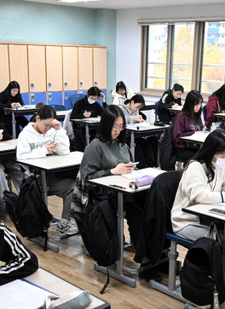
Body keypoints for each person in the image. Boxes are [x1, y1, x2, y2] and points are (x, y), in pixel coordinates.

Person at [171, 129, 225, 261]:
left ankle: (220, 274)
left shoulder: (218, 165)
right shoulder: (195, 167)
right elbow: (200, 196)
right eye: (223, 156)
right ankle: (214, 274)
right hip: (187, 222)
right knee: (221, 240)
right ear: (211, 152)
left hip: (207, 218)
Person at [72, 105, 144, 251]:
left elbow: (130, 166)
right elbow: (87, 178)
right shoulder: (95, 146)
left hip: (123, 190)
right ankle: (141, 253)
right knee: (136, 210)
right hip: (103, 196)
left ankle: (146, 249)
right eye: (114, 126)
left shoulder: (122, 145)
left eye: (121, 126)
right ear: (106, 125)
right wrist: (112, 171)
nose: (117, 130)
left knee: (148, 203)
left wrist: (131, 169)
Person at [17, 105, 77, 235]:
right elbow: (21, 157)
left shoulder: (51, 131)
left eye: (51, 125)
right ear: (37, 118)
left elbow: (64, 151)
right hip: (35, 179)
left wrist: (60, 130)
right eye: (46, 125)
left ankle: (65, 221)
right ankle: (42, 226)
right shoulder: (25, 135)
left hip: (52, 176)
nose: (48, 128)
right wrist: (43, 150)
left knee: (73, 186)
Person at [172, 90, 205, 163]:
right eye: (196, 104)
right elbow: (177, 137)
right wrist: (194, 133)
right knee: (200, 159)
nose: (198, 107)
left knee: (209, 155)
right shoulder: (182, 116)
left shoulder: (197, 116)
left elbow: (201, 130)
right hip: (182, 148)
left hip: (195, 146)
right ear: (190, 104)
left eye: (200, 104)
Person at [70, 86, 106, 151]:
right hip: (80, 127)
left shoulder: (96, 105)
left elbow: (105, 115)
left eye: (95, 99)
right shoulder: (79, 103)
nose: (93, 100)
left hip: (93, 127)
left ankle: (96, 150)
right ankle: (84, 151)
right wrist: (83, 115)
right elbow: (72, 117)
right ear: (87, 95)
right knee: (80, 134)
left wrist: (103, 101)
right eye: (92, 98)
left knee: (101, 132)